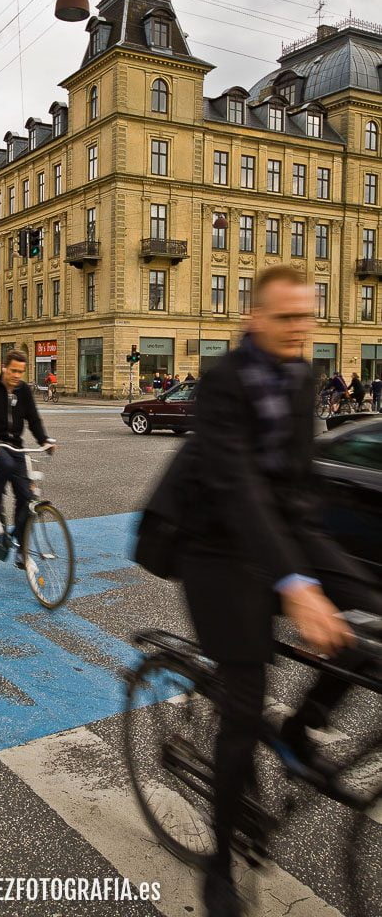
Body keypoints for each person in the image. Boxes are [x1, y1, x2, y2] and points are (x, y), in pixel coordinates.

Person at [145, 266, 381, 917]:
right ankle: (218, 865)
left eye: (306, 317)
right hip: (212, 546)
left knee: (370, 625)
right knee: (242, 706)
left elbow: (293, 482)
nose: (299, 329)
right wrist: (297, 585)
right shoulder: (222, 381)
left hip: (281, 531)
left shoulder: (303, 375)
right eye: (285, 318)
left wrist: (323, 564)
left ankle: (304, 732)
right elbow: (236, 487)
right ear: (253, 319)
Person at [0, 350, 54, 569]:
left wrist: (44, 440)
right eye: (14, 370)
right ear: (4, 368)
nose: (17, 375)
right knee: (5, 465)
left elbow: (33, 419)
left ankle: (21, 549)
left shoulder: (24, 391)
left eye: (21, 372)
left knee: (27, 498)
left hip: (15, 446)